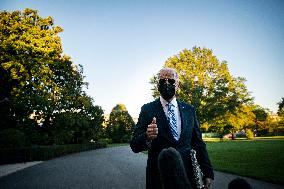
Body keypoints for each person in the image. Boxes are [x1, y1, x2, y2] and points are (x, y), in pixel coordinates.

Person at [130, 67, 214, 189]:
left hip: (186, 176)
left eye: (171, 81)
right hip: (158, 178)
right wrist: (147, 136)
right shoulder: (147, 109)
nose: (167, 84)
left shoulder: (189, 110)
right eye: (163, 81)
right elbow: (134, 146)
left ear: (178, 84)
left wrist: (207, 172)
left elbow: (198, 143)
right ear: (157, 84)